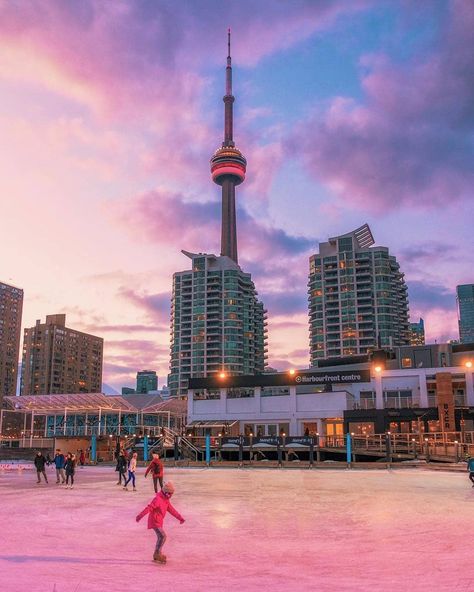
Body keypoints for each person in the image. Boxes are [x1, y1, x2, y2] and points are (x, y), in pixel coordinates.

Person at [136, 481, 185, 564]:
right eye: (170, 493)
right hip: (155, 521)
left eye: (172, 494)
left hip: (159, 521)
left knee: (161, 537)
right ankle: (157, 553)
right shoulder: (158, 499)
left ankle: (157, 553)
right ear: (166, 492)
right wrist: (140, 516)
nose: (171, 495)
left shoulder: (166, 500)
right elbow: (149, 508)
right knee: (162, 536)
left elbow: (172, 510)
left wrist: (180, 518)